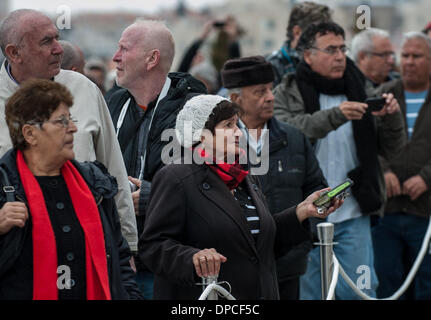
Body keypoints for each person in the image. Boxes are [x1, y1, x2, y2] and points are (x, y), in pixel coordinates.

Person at [139, 94, 343, 300]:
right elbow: (153, 246)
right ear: (202, 136)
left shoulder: (243, 175)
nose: (238, 132)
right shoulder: (176, 177)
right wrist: (193, 258)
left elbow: (259, 244)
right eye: (228, 125)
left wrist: (301, 212)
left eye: (237, 125)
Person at [273, 22, 405, 299]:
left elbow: (393, 150)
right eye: (330, 49)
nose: (339, 56)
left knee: (360, 291)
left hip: (354, 210)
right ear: (307, 55)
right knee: (310, 295)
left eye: (343, 48)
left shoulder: (361, 87)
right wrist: (337, 115)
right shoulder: (288, 90)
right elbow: (290, 133)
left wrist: (392, 117)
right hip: (305, 212)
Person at [0, 9, 138, 253]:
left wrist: (127, 249)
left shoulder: (84, 89)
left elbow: (114, 172)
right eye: (46, 41)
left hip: (87, 250)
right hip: (17, 261)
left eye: (56, 37)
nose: (59, 49)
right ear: (14, 53)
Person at [0, 79, 142, 300]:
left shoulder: (94, 183)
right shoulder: (4, 188)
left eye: (72, 119)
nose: (74, 128)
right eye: (61, 122)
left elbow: (119, 260)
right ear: (29, 134)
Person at [108, 19, 207, 299]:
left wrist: (153, 196)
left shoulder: (195, 112)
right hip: (118, 256)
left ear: (152, 59)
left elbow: (212, 184)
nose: (115, 57)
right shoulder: (112, 103)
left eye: (123, 49)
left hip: (168, 260)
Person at [220, 56, 328, 299]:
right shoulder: (219, 144)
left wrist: (304, 238)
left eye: (271, 89)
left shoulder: (294, 138)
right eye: (260, 92)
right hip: (236, 269)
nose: (270, 97)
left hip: (289, 265)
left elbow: (316, 185)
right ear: (236, 99)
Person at [372, 32, 431, 300]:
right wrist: (384, 171)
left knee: (426, 284)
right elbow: (366, 143)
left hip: (426, 212)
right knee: (389, 284)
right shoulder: (383, 96)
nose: (408, 62)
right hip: (388, 211)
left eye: (416, 56)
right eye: (404, 55)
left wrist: (427, 177)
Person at [266, 1, 333, 87]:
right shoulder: (272, 66)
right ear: (297, 32)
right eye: (318, 33)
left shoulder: (331, 61)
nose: (324, 38)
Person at [350, 28, 397, 92]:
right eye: (384, 55)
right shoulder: (349, 89)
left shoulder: (402, 83)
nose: (390, 61)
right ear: (362, 57)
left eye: (391, 54)